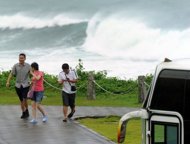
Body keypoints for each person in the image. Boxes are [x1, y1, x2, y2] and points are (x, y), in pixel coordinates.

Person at [6, 53, 30, 119]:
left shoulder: (28, 66)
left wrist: (37, 77)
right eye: (20, 58)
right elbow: (11, 74)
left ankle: (26, 110)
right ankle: (24, 112)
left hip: (26, 85)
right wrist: (8, 81)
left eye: (22, 58)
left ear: (25, 58)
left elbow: (32, 73)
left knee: (25, 99)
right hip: (18, 85)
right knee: (21, 100)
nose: (20, 59)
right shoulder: (16, 65)